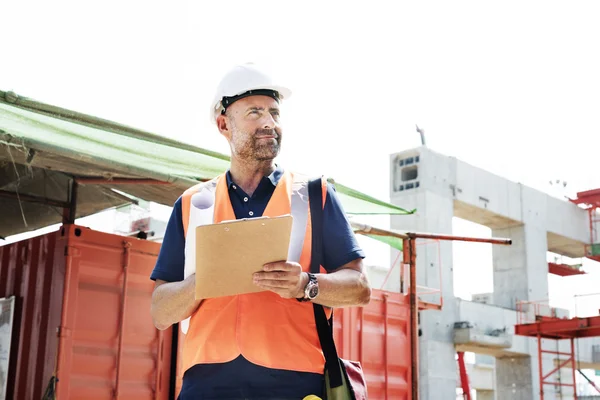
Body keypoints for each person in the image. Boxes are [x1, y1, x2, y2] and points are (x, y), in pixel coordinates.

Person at [150, 63, 371, 400]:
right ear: (224, 124)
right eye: (255, 112)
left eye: (274, 112)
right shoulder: (193, 204)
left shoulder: (315, 195)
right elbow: (161, 312)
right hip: (207, 386)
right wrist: (203, 282)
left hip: (295, 384)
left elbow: (359, 289)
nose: (269, 122)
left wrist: (304, 284)